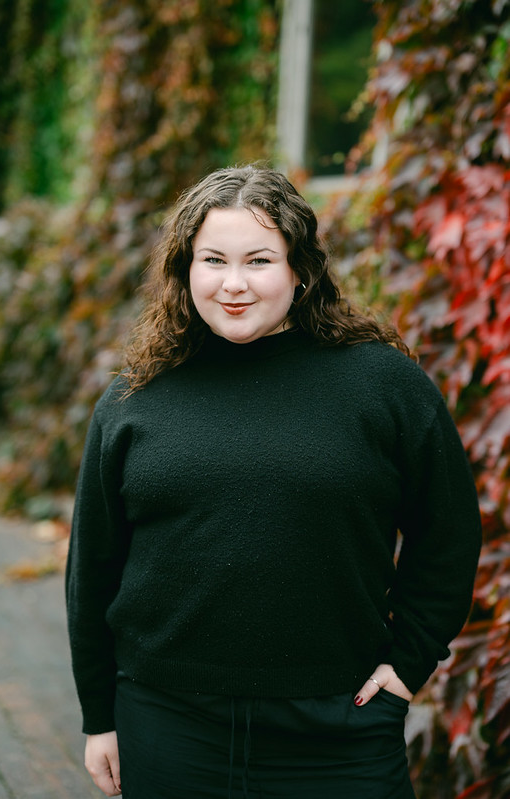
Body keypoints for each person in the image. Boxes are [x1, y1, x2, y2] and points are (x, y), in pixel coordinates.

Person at [66, 164, 482, 799]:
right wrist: (100, 717)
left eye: (259, 260)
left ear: (300, 270)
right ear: (185, 271)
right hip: (168, 725)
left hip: (340, 729)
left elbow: (448, 534)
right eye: (213, 260)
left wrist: (407, 664)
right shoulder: (135, 398)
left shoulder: (383, 386)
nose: (233, 284)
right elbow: (91, 569)